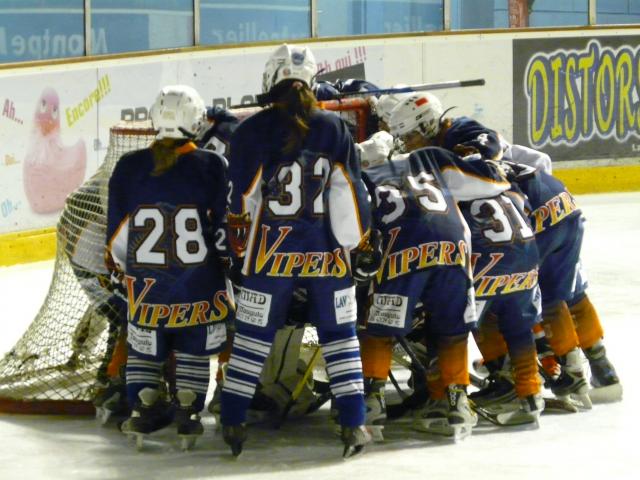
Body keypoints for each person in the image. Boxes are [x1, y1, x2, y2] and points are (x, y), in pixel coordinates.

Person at [220, 43, 375, 458]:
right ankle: (354, 421)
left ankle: (233, 418)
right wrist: (354, 246)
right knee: (340, 338)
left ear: (271, 80)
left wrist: (240, 249)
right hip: (327, 254)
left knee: (252, 337)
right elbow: (349, 196)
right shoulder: (335, 127)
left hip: (270, 254)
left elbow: (242, 200)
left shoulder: (250, 130)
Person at [386, 93, 545, 426]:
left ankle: (444, 399)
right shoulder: (482, 169)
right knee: (518, 326)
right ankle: (530, 395)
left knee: (444, 324)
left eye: (411, 135)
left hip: (484, 260)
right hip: (524, 253)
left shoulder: (453, 160)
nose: (407, 144)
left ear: (429, 125)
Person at [105, 85, 231, 450]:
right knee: (194, 348)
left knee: (145, 347)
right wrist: (228, 269)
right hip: (200, 285)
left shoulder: (129, 166)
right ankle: (189, 410)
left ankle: (143, 407)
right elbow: (223, 229)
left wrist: (131, 273)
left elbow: (117, 235)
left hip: (147, 287)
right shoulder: (212, 163)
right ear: (197, 120)